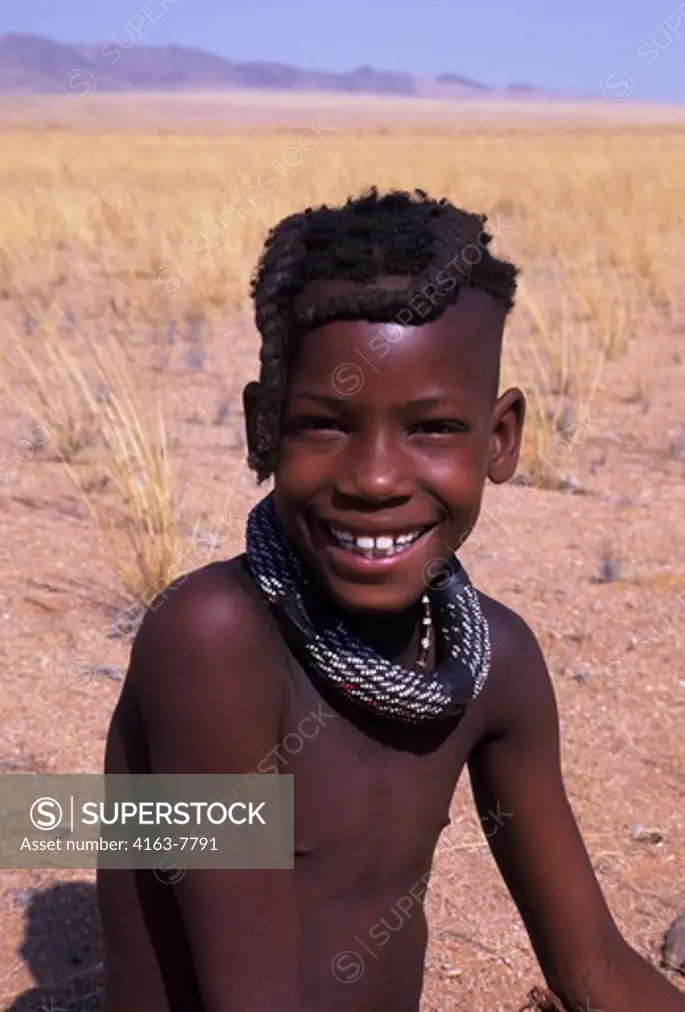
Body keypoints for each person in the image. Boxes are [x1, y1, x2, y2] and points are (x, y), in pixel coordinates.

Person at [97, 188, 685, 1012]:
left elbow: (590, 970)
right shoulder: (210, 636)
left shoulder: (493, 662)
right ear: (262, 429)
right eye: (324, 425)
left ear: (501, 438)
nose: (373, 479)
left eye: (433, 429)